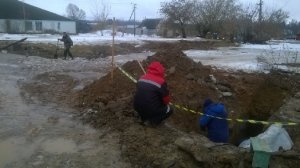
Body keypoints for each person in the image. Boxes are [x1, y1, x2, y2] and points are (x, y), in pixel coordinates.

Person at [134, 61, 173, 125]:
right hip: (151, 110)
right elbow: (166, 100)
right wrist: (163, 104)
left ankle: (143, 118)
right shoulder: (161, 82)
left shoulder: (142, 78)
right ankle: (153, 121)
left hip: (137, 107)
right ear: (161, 70)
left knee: (147, 103)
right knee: (170, 109)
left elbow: (140, 92)